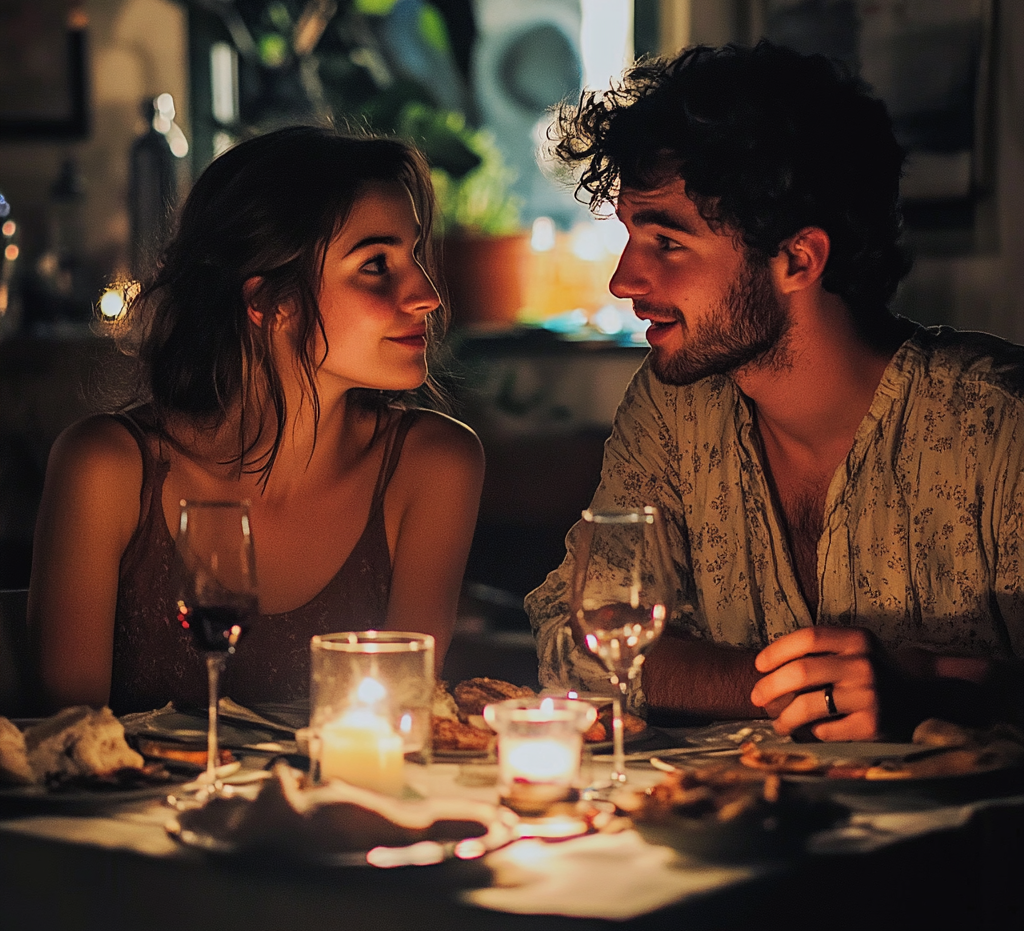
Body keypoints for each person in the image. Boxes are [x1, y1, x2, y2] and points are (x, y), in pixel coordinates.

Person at [526, 42, 1024, 741]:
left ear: (797, 259)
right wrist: (790, 688)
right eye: (630, 235)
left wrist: (936, 696)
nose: (624, 280)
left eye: (666, 243)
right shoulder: (675, 408)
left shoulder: (999, 429)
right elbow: (577, 636)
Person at [28, 126, 484, 715]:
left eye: (414, 255)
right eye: (376, 264)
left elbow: (406, 721)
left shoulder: (433, 466)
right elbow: (70, 745)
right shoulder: (107, 469)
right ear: (270, 301)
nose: (426, 293)